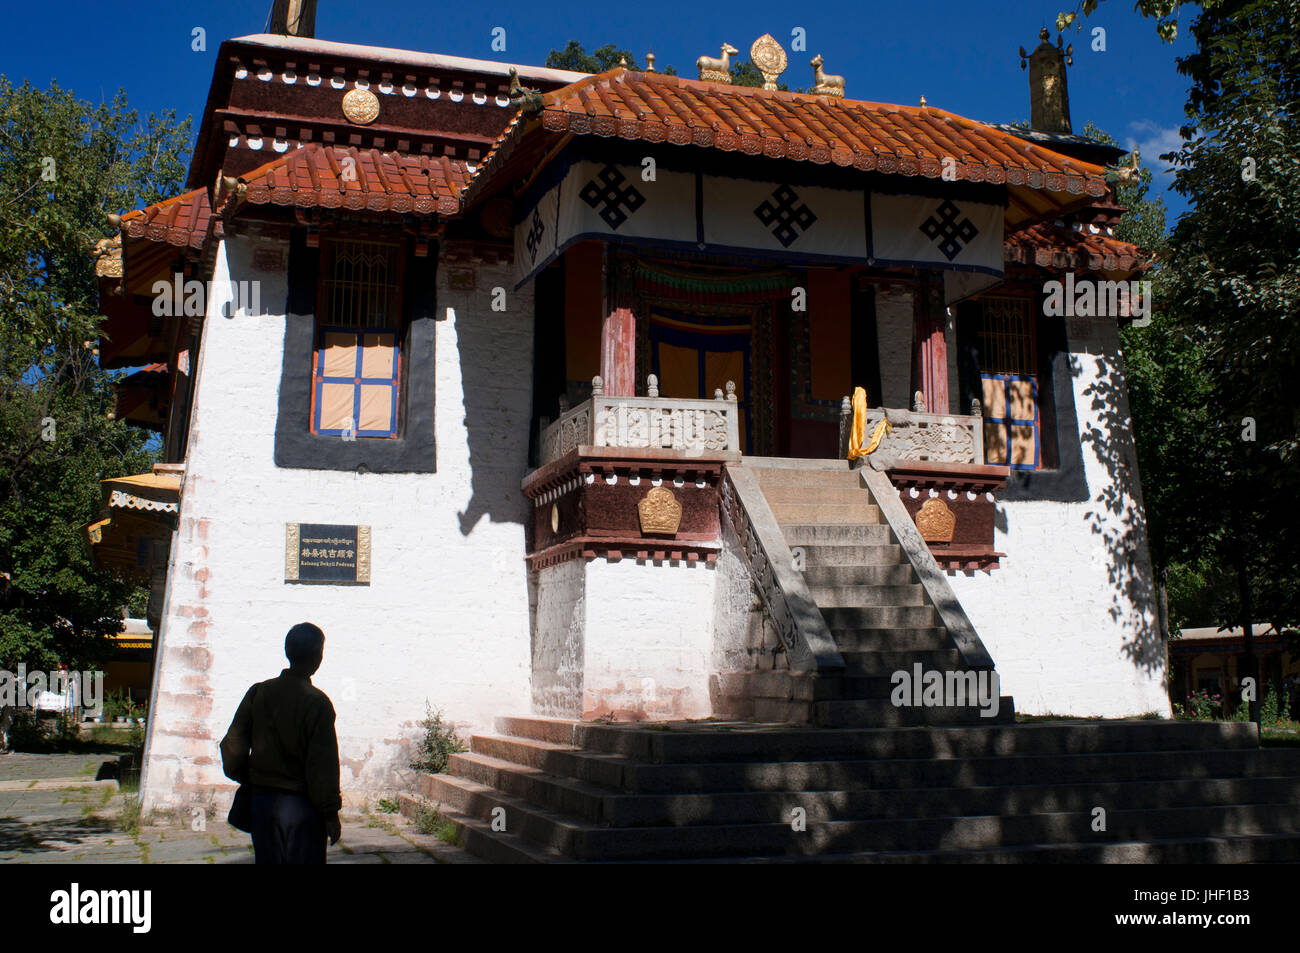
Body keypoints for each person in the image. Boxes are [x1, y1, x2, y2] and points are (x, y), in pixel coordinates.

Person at [220, 622, 342, 863]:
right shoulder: (317, 703)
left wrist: (250, 776)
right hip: (303, 808)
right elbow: (322, 766)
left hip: (263, 803)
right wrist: (330, 813)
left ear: (288, 651)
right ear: (319, 656)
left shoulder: (259, 693)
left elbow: (232, 745)